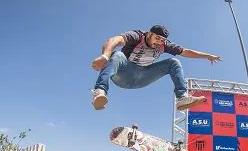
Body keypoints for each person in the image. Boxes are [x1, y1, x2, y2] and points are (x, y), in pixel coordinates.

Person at [91, 24, 221, 111]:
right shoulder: (137, 36)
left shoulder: (164, 45)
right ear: (149, 34)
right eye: (157, 38)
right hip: (124, 74)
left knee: (173, 62)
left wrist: (207, 56)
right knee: (117, 54)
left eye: (162, 40)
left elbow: (186, 51)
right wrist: (105, 56)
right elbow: (115, 40)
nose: (158, 42)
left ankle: (181, 98)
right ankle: (100, 92)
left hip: (143, 77)